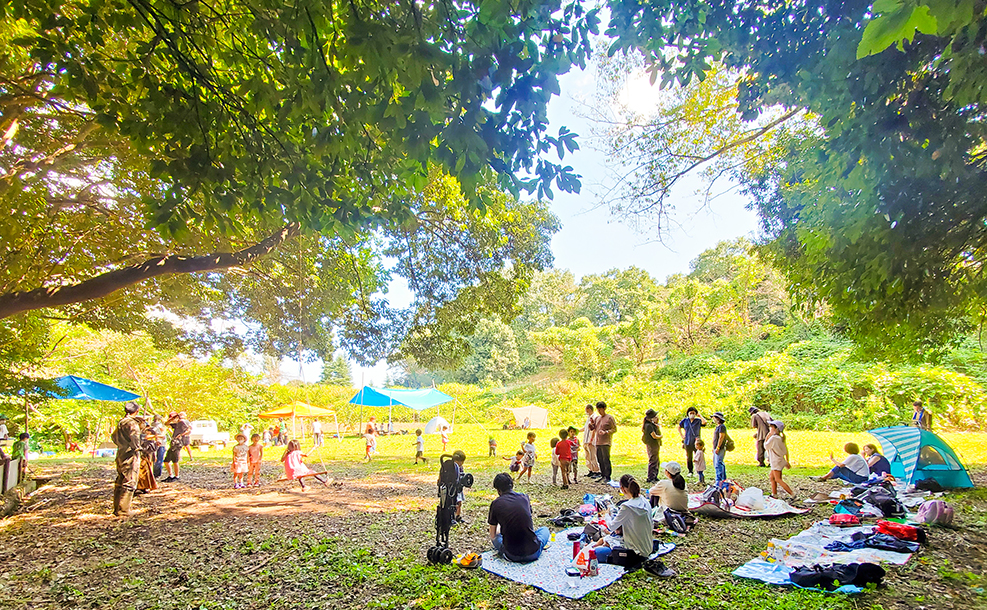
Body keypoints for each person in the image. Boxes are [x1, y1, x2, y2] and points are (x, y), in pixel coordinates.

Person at [590, 474, 654, 565]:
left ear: (623, 489)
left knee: (594, 553)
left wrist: (607, 515)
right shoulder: (644, 500)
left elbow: (611, 527)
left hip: (635, 552)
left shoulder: (627, 507)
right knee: (607, 539)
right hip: (648, 547)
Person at [488, 472, 550, 562]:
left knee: (497, 537)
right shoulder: (524, 497)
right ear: (512, 485)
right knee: (544, 530)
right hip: (533, 552)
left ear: (498, 490)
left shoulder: (495, 504)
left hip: (511, 554)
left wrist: (499, 530)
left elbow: (492, 535)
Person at [111, 402, 143, 516]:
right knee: (130, 480)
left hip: (121, 452)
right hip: (130, 454)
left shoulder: (121, 422)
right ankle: (123, 510)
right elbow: (135, 437)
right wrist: (138, 448)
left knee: (120, 479)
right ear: (137, 411)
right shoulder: (132, 423)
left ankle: (117, 508)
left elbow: (113, 436)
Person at [765, 420, 794, 499]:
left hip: (775, 461)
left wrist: (767, 437)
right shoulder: (781, 438)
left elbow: (766, 446)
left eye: (772, 427)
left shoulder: (773, 438)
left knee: (778, 479)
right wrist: (787, 461)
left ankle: (792, 494)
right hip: (780, 460)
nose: (770, 429)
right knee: (772, 477)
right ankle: (774, 494)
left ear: (775, 429)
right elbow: (786, 450)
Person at [162, 411, 191, 482]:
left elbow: (189, 430)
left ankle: (177, 476)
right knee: (166, 460)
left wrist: (181, 434)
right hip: (173, 443)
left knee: (175, 460)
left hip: (178, 443)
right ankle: (170, 475)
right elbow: (166, 424)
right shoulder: (177, 424)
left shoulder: (183, 423)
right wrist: (172, 419)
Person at [677, 407, 705, 477]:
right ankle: (690, 471)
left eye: (693, 413)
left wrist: (700, 415)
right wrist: (682, 435)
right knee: (689, 457)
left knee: (698, 456)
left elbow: (704, 422)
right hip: (687, 441)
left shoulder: (698, 421)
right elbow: (679, 427)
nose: (692, 414)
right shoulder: (685, 421)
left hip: (696, 442)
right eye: (690, 413)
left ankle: (698, 471)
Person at [593, 401, 617, 484]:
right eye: (598, 410)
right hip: (598, 442)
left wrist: (606, 432)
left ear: (604, 408)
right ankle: (602, 475)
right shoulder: (597, 418)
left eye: (600, 409)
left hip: (606, 442)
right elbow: (594, 428)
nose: (599, 411)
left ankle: (607, 476)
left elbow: (614, 429)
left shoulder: (609, 418)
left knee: (605, 459)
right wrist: (591, 425)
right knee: (599, 459)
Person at [135, 415, 158, 495]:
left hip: (146, 453)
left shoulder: (144, 431)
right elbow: (144, 437)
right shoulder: (136, 432)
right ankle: (138, 487)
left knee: (146, 470)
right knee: (141, 470)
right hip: (139, 453)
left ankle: (145, 486)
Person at [642, 409, 662, 483]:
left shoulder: (651, 425)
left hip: (654, 444)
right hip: (652, 444)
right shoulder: (649, 426)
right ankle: (651, 477)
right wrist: (661, 436)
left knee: (656, 460)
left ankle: (655, 475)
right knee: (653, 460)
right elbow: (654, 436)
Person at [582, 404, 601, 479]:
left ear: (589, 409)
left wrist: (591, 439)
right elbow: (585, 428)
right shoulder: (588, 418)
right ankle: (591, 469)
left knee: (593, 456)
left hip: (591, 440)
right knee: (588, 456)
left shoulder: (594, 417)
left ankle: (597, 471)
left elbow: (594, 429)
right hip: (586, 440)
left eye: (586, 410)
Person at [711, 412, 728, 484]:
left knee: (718, 464)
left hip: (720, 448)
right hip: (716, 447)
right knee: (717, 463)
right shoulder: (718, 427)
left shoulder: (722, 427)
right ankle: (722, 479)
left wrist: (718, 447)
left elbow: (721, 437)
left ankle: (719, 480)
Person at [150, 415, 167, 479]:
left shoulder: (154, 425)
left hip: (159, 443)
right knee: (158, 459)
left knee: (157, 459)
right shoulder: (156, 425)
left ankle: (156, 473)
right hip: (157, 443)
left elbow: (163, 435)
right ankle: (156, 474)